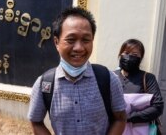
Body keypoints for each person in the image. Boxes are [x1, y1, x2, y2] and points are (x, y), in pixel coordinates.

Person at [27, 7, 127, 135]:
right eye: (71, 40)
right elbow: (36, 121)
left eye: (86, 40)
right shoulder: (44, 84)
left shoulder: (108, 79)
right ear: (56, 42)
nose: (79, 48)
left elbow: (120, 118)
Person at [114, 39, 164, 134]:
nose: (129, 57)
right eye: (126, 53)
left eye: (135, 55)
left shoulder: (148, 78)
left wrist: (128, 117)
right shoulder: (111, 76)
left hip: (140, 130)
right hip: (115, 130)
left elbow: (158, 106)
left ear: (140, 58)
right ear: (120, 54)